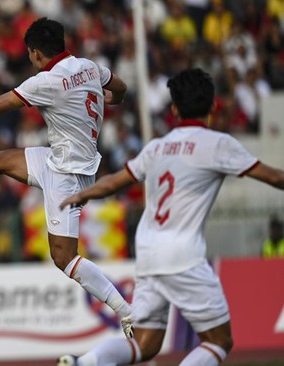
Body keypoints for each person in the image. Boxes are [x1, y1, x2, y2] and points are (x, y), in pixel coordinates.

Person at [0, 17, 133, 337]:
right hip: (63, 159)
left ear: (34, 53)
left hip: (67, 175)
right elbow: (121, 89)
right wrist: (104, 102)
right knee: (2, 160)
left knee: (63, 258)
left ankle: (126, 312)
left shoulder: (46, 81)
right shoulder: (89, 66)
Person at [57, 68, 284, 366]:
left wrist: (84, 194)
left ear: (174, 109)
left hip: (149, 254)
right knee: (219, 341)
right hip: (184, 255)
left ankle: (84, 362)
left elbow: (116, 180)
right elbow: (274, 177)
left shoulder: (157, 147)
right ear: (214, 105)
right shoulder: (217, 144)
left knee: (144, 345)